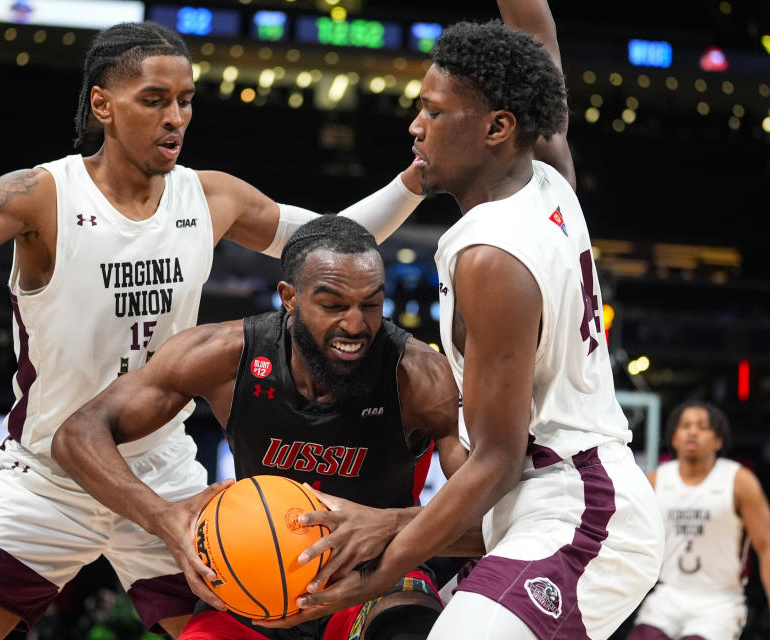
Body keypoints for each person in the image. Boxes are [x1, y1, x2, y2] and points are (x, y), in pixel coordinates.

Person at [0, 21, 430, 640]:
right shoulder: (41, 194)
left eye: (185, 101)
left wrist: (413, 182)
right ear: (103, 104)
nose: (176, 118)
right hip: (50, 477)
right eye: (155, 100)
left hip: (163, 473)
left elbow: (333, 245)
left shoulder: (211, 197)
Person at [266, 4, 667, 640]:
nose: (415, 126)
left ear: (497, 127)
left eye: (433, 110)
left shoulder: (491, 255)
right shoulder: (547, 175)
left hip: (580, 506)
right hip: (529, 504)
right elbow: (537, 27)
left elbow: (497, 462)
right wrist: (391, 527)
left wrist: (381, 563)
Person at [52, 215, 483, 640]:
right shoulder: (225, 354)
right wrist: (162, 518)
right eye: (333, 305)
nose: (355, 325)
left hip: (378, 579)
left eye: (370, 304)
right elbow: (77, 435)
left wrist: (389, 525)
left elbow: (490, 527)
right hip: (252, 578)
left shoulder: (419, 376)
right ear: (289, 298)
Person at [628, 401, 770, 640]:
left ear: (718, 440)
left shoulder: (739, 481)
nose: (693, 431)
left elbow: (766, 546)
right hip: (667, 595)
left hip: (719, 600)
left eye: (703, 427)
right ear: (673, 438)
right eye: (685, 425)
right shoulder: (655, 480)